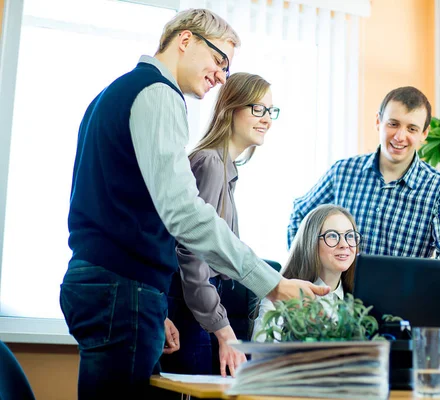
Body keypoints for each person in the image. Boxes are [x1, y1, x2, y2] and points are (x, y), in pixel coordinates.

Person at [59, 8, 328, 399]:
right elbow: (184, 214)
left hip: (110, 285)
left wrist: (157, 307)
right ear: (185, 40)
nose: (222, 75)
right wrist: (272, 284)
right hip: (123, 289)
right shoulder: (159, 94)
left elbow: (123, 205)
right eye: (220, 60)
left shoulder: (115, 93)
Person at [160, 72, 280, 378]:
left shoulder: (225, 167)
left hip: (200, 307)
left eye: (270, 111)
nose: (266, 118)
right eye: (258, 109)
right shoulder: (210, 163)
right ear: (231, 108)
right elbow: (193, 255)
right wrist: (222, 331)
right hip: (193, 310)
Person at [287, 86, 440, 261]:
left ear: (424, 133)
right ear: (378, 121)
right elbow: (301, 214)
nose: (400, 136)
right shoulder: (342, 173)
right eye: (393, 124)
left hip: (401, 295)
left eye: (412, 129)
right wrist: (308, 272)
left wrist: (426, 284)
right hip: (337, 295)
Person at [252, 204, 360, 342]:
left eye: (350, 236)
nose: (345, 244)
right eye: (333, 235)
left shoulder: (359, 299)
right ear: (311, 242)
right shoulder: (279, 293)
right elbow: (262, 355)